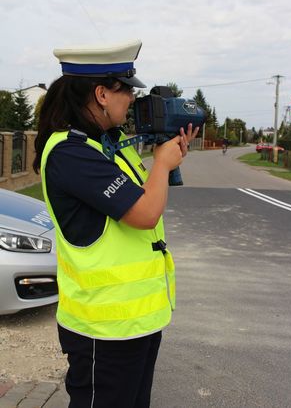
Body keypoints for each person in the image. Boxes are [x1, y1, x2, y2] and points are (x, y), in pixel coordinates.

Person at [33, 39, 199, 408]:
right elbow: (144, 213)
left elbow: (140, 196)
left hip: (134, 321)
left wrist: (167, 152)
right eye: (127, 90)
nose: (132, 100)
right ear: (102, 94)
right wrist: (162, 164)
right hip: (103, 328)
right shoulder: (70, 152)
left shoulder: (107, 142)